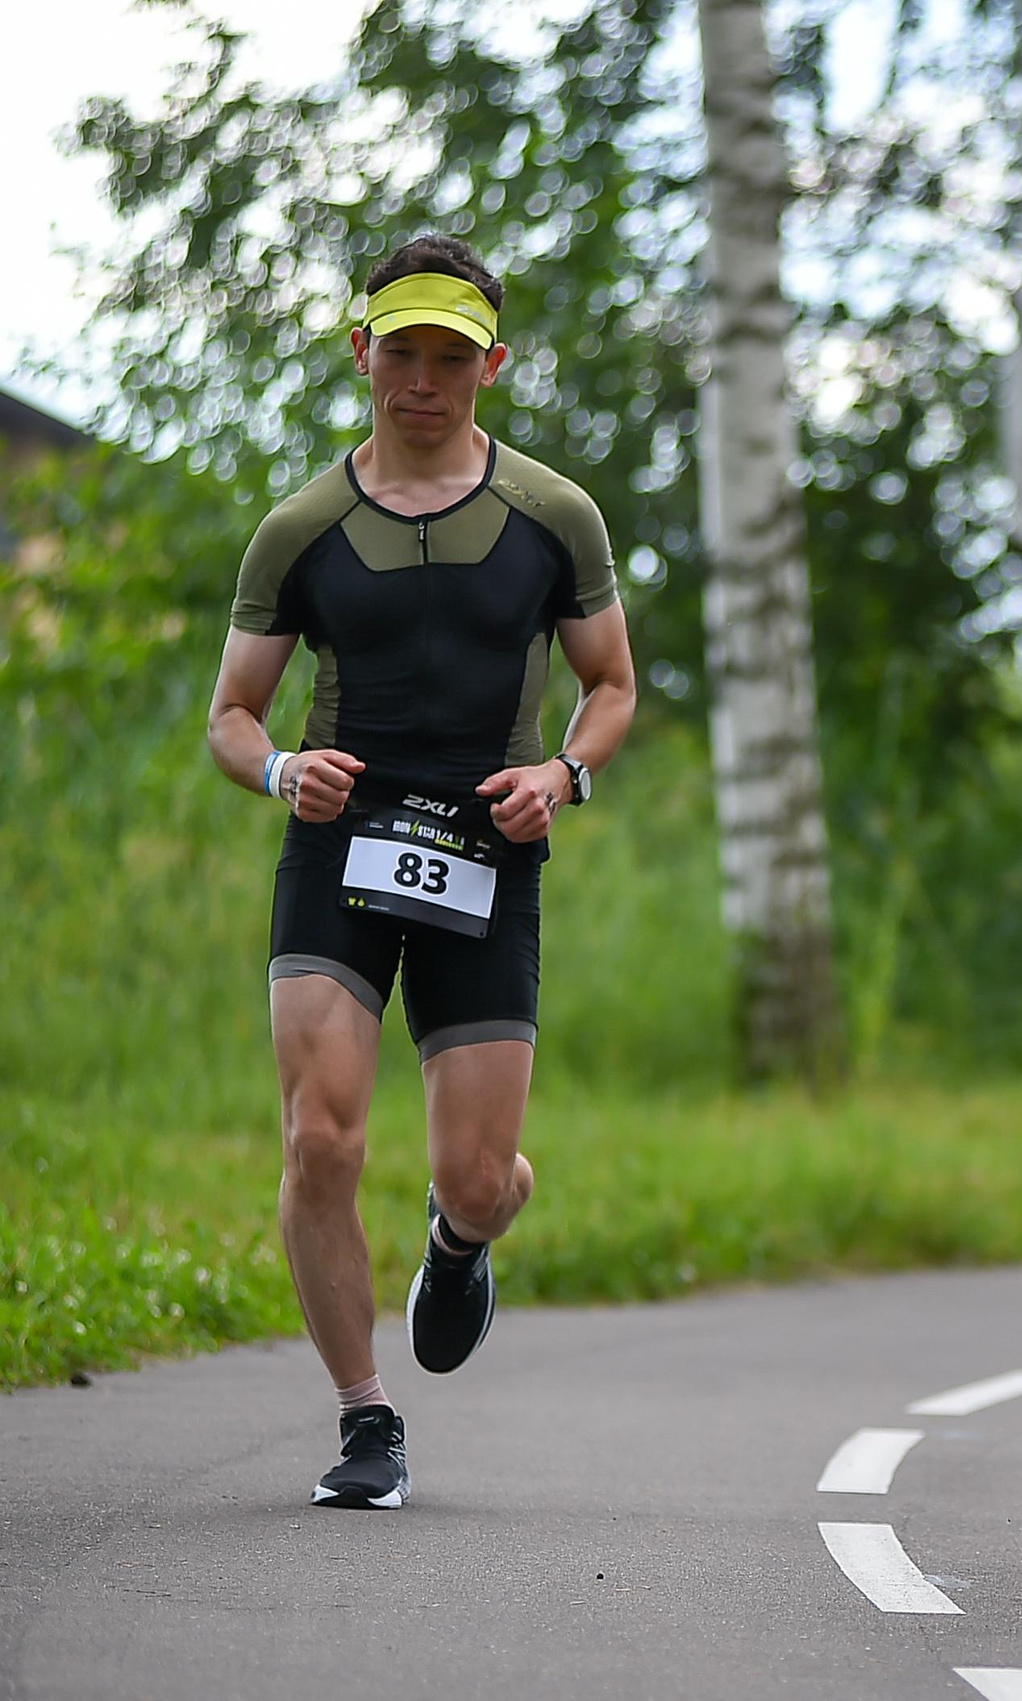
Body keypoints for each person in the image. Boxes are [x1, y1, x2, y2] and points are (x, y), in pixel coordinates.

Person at [206, 235, 636, 1509]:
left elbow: (611, 686)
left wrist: (562, 777)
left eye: (453, 357)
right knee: (320, 1138)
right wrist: (286, 773)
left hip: (489, 852)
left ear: (490, 366)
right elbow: (233, 715)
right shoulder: (302, 528)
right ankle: (364, 1420)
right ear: (363, 354)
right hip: (339, 843)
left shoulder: (555, 516)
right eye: (403, 353)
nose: (425, 380)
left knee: (476, 1175)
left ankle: (461, 1240)